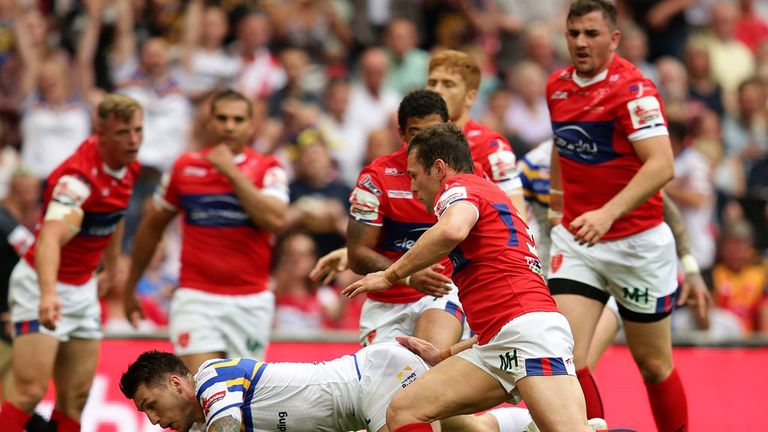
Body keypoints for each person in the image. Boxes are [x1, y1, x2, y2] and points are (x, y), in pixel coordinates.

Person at [343, 123, 591, 432]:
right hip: (496, 342)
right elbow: (500, 310)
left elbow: (450, 230)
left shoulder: (460, 188)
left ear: (438, 168)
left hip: (530, 337)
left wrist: (390, 275)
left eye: (415, 176)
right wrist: (446, 353)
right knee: (405, 410)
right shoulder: (489, 195)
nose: (413, 188)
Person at [545, 1, 702, 430]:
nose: (580, 42)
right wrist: (557, 204)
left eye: (590, 34)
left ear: (614, 38)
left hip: (637, 245)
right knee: (564, 356)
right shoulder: (557, 86)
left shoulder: (634, 91)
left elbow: (661, 165)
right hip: (579, 241)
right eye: (573, 33)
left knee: (653, 365)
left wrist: (607, 214)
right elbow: (563, 144)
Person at [0, 94, 143, 432]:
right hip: (41, 283)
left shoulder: (128, 166)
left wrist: (109, 262)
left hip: (81, 288)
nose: (134, 140)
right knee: (29, 391)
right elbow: (50, 237)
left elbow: (116, 213)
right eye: (124, 133)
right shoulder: (77, 181)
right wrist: (49, 294)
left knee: (76, 397)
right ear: (101, 134)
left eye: (138, 130)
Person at [123, 89, 289, 374]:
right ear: (209, 122)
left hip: (250, 301)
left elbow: (274, 220)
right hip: (196, 298)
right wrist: (130, 287)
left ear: (252, 125)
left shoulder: (268, 168)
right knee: (204, 389)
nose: (229, 126)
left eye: (238, 119)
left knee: (240, 400)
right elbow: (152, 226)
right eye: (222, 118)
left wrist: (231, 172)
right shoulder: (185, 168)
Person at [120, 346, 530, 432]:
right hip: (359, 407)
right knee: (474, 430)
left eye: (151, 405)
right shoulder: (197, 424)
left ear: (177, 383)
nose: (155, 420)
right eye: (146, 415)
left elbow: (226, 430)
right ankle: (550, 422)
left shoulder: (212, 374)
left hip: (375, 378)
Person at [346, 89, 464, 350]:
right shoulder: (375, 179)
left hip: (441, 293)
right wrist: (408, 275)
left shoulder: (464, 175)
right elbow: (356, 254)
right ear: (401, 134)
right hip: (386, 302)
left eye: (432, 130)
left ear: (447, 128)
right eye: (415, 132)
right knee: (388, 384)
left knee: (426, 360)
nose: (425, 139)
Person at [425, 50, 526, 221]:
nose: (437, 90)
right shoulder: (416, 141)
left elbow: (518, 215)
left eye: (448, 84)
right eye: (432, 83)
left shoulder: (492, 146)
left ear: (470, 97)